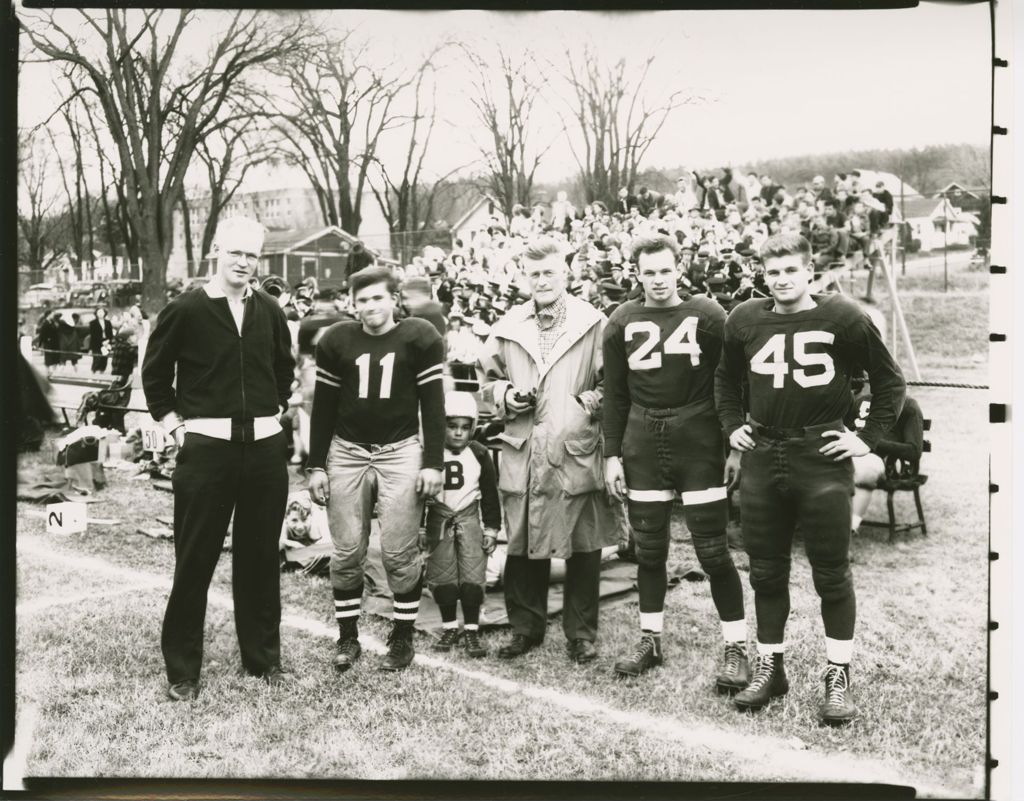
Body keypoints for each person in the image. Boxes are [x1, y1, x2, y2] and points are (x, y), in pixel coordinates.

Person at [715, 232, 905, 726]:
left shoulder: (842, 316)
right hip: (763, 452)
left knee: (831, 571)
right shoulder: (744, 318)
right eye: (773, 271)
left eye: (790, 270)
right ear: (763, 273)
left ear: (809, 271)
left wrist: (867, 439)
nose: (781, 280)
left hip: (819, 454)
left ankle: (837, 676)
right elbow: (725, 378)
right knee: (766, 570)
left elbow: (890, 381)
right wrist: (732, 424)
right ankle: (770, 666)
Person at [141, 216, 295, 701]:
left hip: (265, 450)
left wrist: (273, 409)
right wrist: (176, 427)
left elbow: (283, 369)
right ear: (217, 253)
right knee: (195, 560)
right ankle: (183, 671)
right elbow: (155, 375)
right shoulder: (186, 308)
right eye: (236, 253)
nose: (244, 263)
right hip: (206, 450)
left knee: (259, 558)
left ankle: (263, 660)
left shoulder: (269, 309)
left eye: (252, 255)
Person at [602, 234, 749, 690]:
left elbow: (732, 381)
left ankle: (736, 646)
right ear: (636, 274)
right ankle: (651, 639)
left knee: (712, 550)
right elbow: (616, 394)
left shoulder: (707, 314)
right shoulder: (622, 319)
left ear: (679, 268)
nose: (659, 280)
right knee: (649, 552)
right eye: (649, 272)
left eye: (666, 270)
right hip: (643, 439)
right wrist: (611, 454)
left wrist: (735, 443)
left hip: (698, 436)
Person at [478, 237, 622, 664]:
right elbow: (485, 383)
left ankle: (581, 633)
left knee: (583, 542)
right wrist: (505, 396)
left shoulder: (593, 323)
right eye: (534, 273)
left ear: (567, 273)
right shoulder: (507, 327)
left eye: (549, 272)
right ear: (524, 276)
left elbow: (613, 384)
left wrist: (587, 405)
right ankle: (526, 627)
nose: (541, 280)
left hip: (574, 446)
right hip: (523, 448)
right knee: (522, 540)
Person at [307, 265, 445, 673]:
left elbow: (433, 404)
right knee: (347, 550)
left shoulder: (419, 336)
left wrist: (434, 462)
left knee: (400, 552)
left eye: (378, 298)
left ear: (394, 298)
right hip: (347, 451)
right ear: (353, 303)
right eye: (362, 299)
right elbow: (324, 409)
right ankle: (348, 637)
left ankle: (401, 637)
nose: (370, 306)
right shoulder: (336, 339)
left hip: (400, 451)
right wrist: (316, 465)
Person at [423, 392, 502, 658]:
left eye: (465, 427)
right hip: (439, 518)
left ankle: (471, 629)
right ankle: (448, 626)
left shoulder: (479, 453)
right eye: (452, 426)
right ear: (440, 424)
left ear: (473, 427)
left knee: (472, 576)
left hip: (469, 518)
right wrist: (421, 528)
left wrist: (491, 528)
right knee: (443, 575)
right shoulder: (430, 453)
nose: (458, 433)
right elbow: (420, 495)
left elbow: (490, 495)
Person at [846, 387, 925, 533]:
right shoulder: (861, 401)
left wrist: (871, 441)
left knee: (865, 469)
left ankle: (850, 526)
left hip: (877, 459)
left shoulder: (908, 405)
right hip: (849, 454)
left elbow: (914, 451)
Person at [88, 306, 114, 374]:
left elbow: (110, 334)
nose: (100, 314)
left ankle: (101, 375)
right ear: (96, 313)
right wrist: (102, 342)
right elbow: (93, 335)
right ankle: (93, 375)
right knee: (96, 360)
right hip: (96, 344)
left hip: (106, 343)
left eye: (102, 312)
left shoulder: (108, 322)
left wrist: (108, 341)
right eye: (99, 312)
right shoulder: (92, 323)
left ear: (105, 313)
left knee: (104, 360)